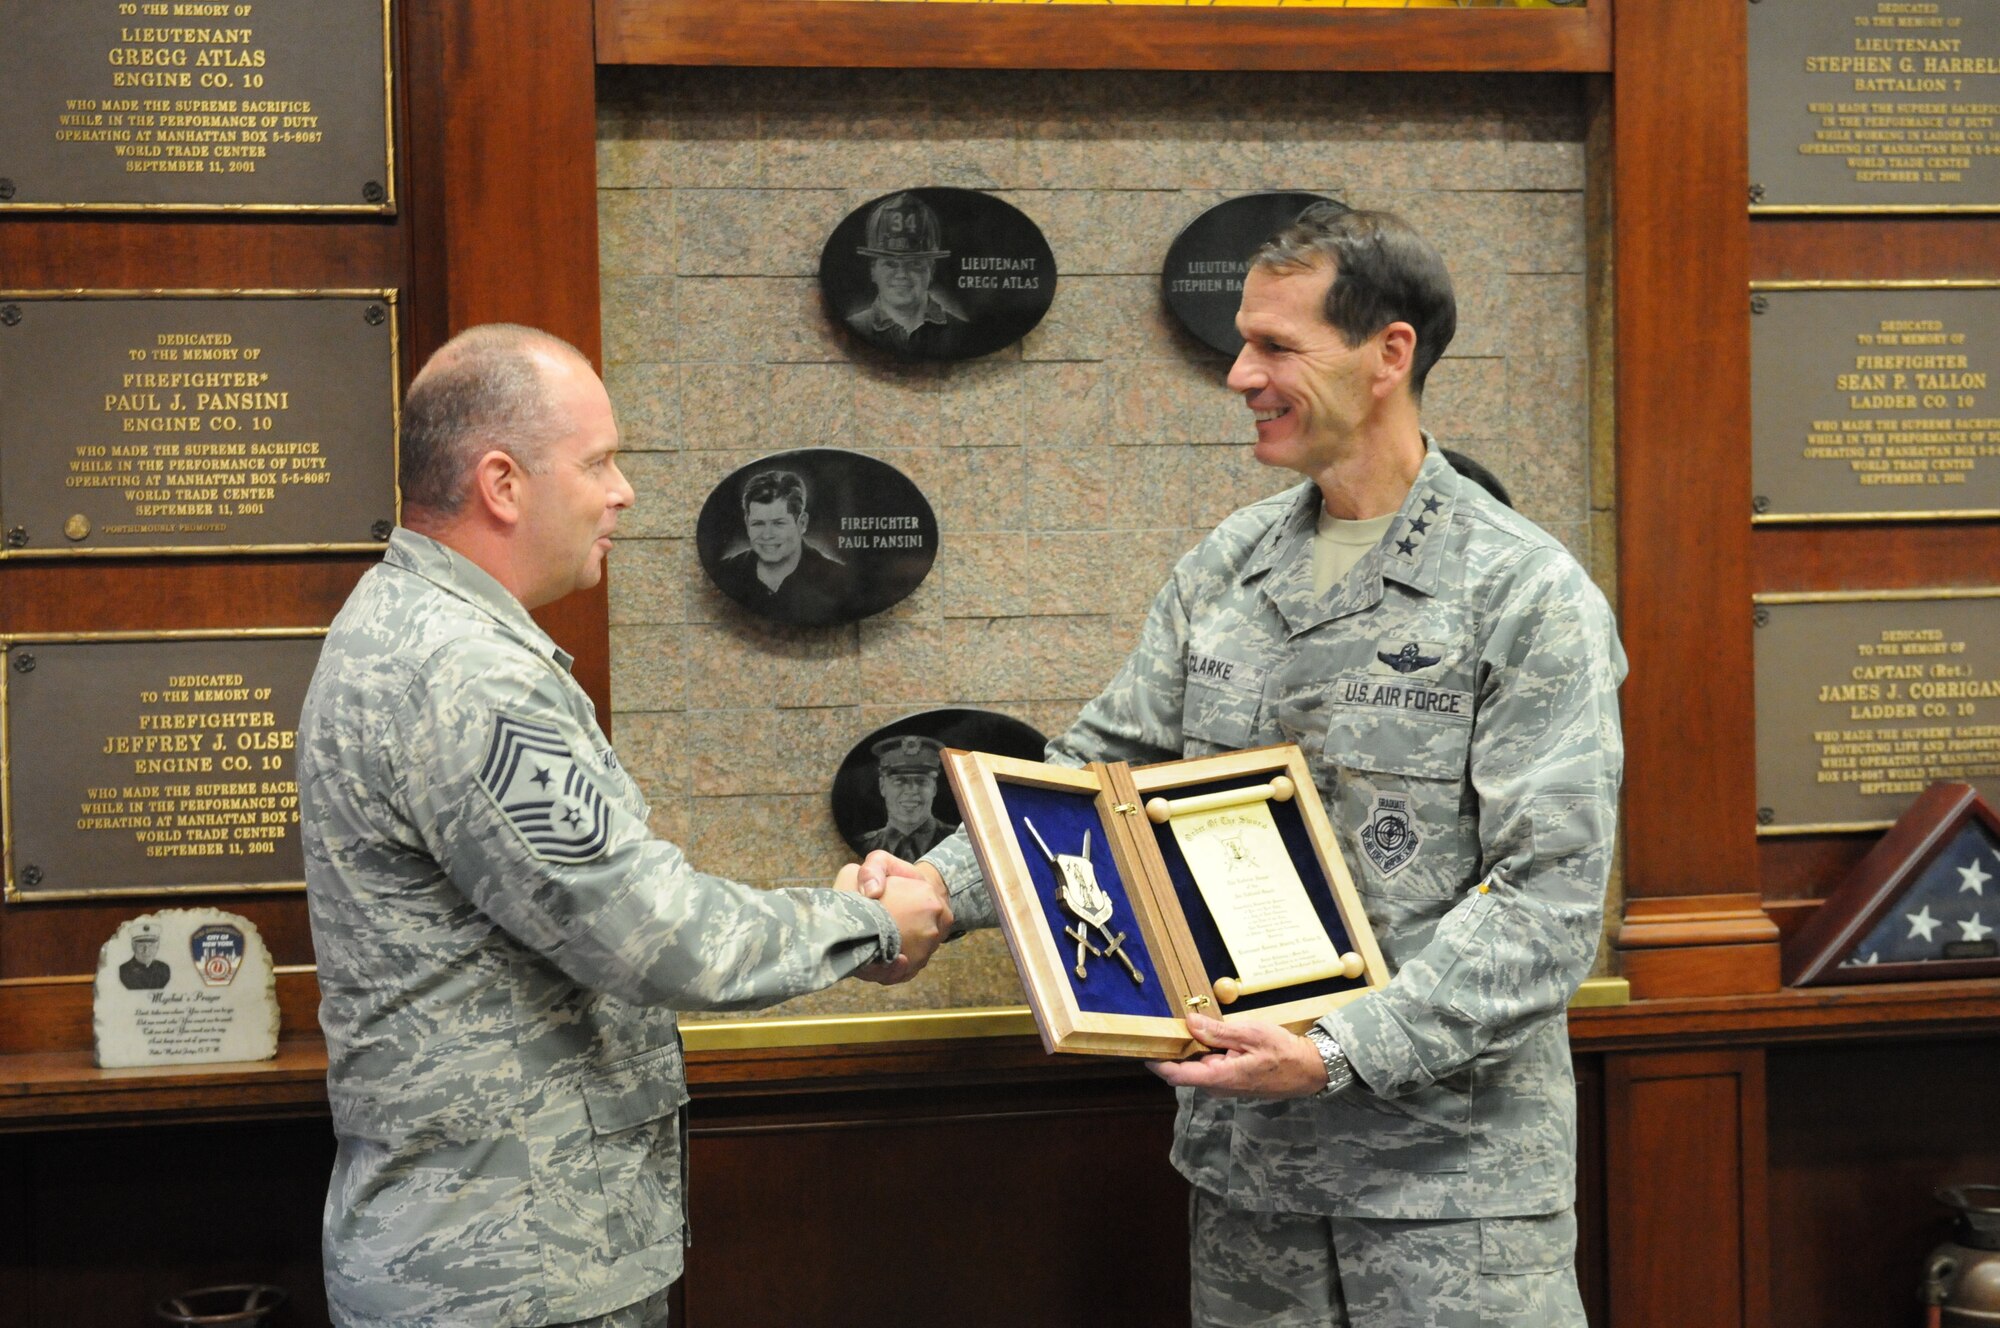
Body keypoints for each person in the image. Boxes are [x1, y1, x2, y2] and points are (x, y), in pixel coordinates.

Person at [862, 207, 1625, 1327]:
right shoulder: (1229, 564)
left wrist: (1335, 1050)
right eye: (1239, 341)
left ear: (1388, 353)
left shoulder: (1522, 592)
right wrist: (940, 885)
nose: (1237, 374)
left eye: (1275, 345)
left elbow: (1546, 901)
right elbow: (1092, 772)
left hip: (1446, 1195)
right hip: (1249, 1176)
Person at [297, 324, 951, 1328]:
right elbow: (649, 932)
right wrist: (865, 922)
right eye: (598, 460)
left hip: (489, 1248)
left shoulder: (407, 626)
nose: (623, 491)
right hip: (511, 1270)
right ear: (502, 483)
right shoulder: (468, 674)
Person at [710, 468, 852, 625]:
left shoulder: (835, 579)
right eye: (758, 524)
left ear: (802, 523)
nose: (767, 535)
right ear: (747, 523)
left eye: (778, 523)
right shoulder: (726, 573)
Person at [843, 192, 969, 358]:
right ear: (873, 270)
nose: (902, 274)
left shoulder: (962, 332)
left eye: (915, 264)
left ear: (930, 270)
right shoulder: (852, 329)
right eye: (890, 263)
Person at [856, 735, 952, 860]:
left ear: (934, 788)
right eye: (899, 781)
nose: (911, 791)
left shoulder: (963, 844)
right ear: (882, 787)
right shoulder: (863, 846)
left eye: (921, 781)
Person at [118, 924, 171, 990]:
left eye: (151, 946)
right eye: (141, 946)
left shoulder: (164, 969)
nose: (146, 951)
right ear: (133, 946)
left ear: (157, 947)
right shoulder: (124, 970)